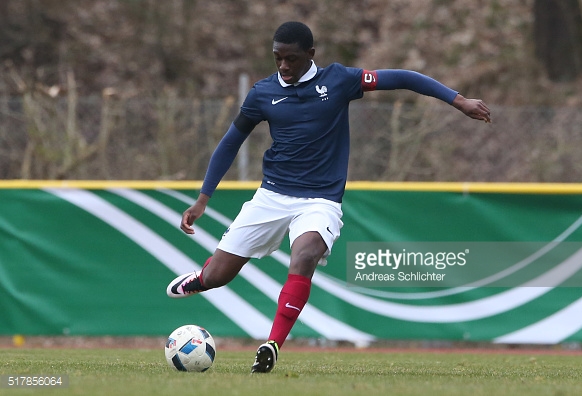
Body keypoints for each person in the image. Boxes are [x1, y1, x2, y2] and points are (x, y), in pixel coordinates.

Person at [166, 21, 491, 373]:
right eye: (278, 58)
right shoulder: (262, 93)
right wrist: (203, 198)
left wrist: (458, 100)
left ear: (311, 54)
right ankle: (201, 279)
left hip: (320, 200)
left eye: (291, 58)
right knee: (218, 277)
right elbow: (231, 142)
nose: (284, 66)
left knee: (304, 256)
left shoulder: (339, 81)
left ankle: (272, 345)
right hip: (271, 196)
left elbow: (405, 78)